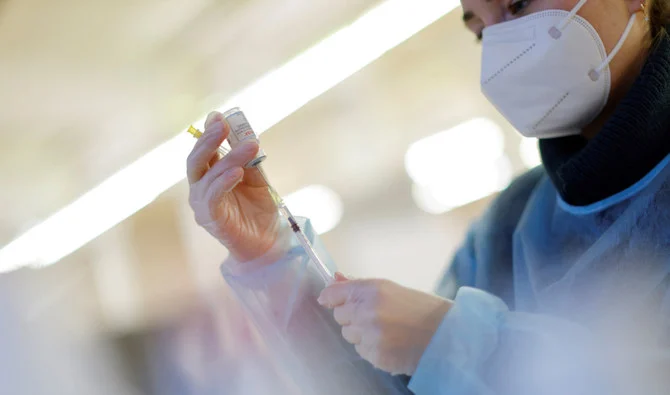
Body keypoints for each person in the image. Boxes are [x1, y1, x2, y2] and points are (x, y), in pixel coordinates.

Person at [186, 0, 670, 393]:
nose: (502, 47)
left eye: (518, 5)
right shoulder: (508, 228)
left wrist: (463, 344)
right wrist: (270, 253)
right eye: (480, 29)